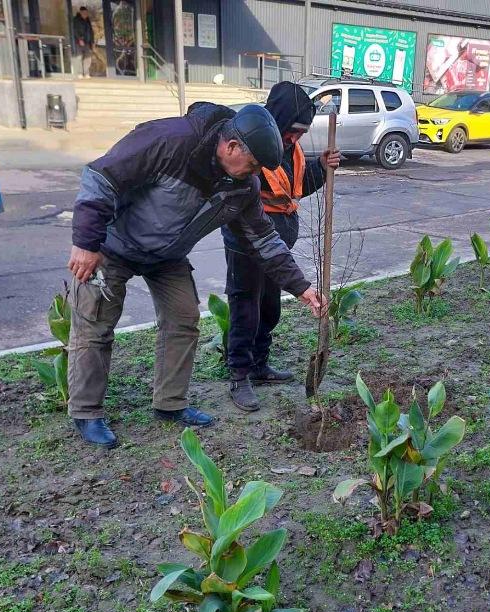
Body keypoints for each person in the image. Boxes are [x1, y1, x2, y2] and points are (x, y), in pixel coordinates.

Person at [67, 103, 324, 448]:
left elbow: (263, 239)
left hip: (167, 256)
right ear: (231, 146)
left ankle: (170, 404)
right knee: (95, 325)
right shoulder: (171, 140)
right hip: (113, 244)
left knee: (184, 318)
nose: (255, 174)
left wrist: (302, 287)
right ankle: (86, 412)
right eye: (252, 164)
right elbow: (102, 176)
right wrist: (87, 241)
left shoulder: (241, 185)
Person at [220, 83, 340, 411]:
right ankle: (239, 375)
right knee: (245, 306)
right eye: (292, 132)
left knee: (269, 307)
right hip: (247, 242)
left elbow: (294, 189)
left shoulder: (292, 150)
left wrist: (322, 167)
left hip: (277, 248)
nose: (294, 139)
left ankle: (259, 364)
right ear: (279, 120)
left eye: (301, 133)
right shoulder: (254, 146)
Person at [72, 6, 94, 78]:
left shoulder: (88, 20)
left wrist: (92, 42)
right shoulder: (76, 20)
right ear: (81, 12)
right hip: (79, 42)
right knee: (79, 57)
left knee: (88, 58)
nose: (86, 14)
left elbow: (91, 31)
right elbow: (75, 31)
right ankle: (80, 73)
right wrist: (80, 39)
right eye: (84, 13)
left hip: (87, 42)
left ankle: (86, 73)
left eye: (86, 13)